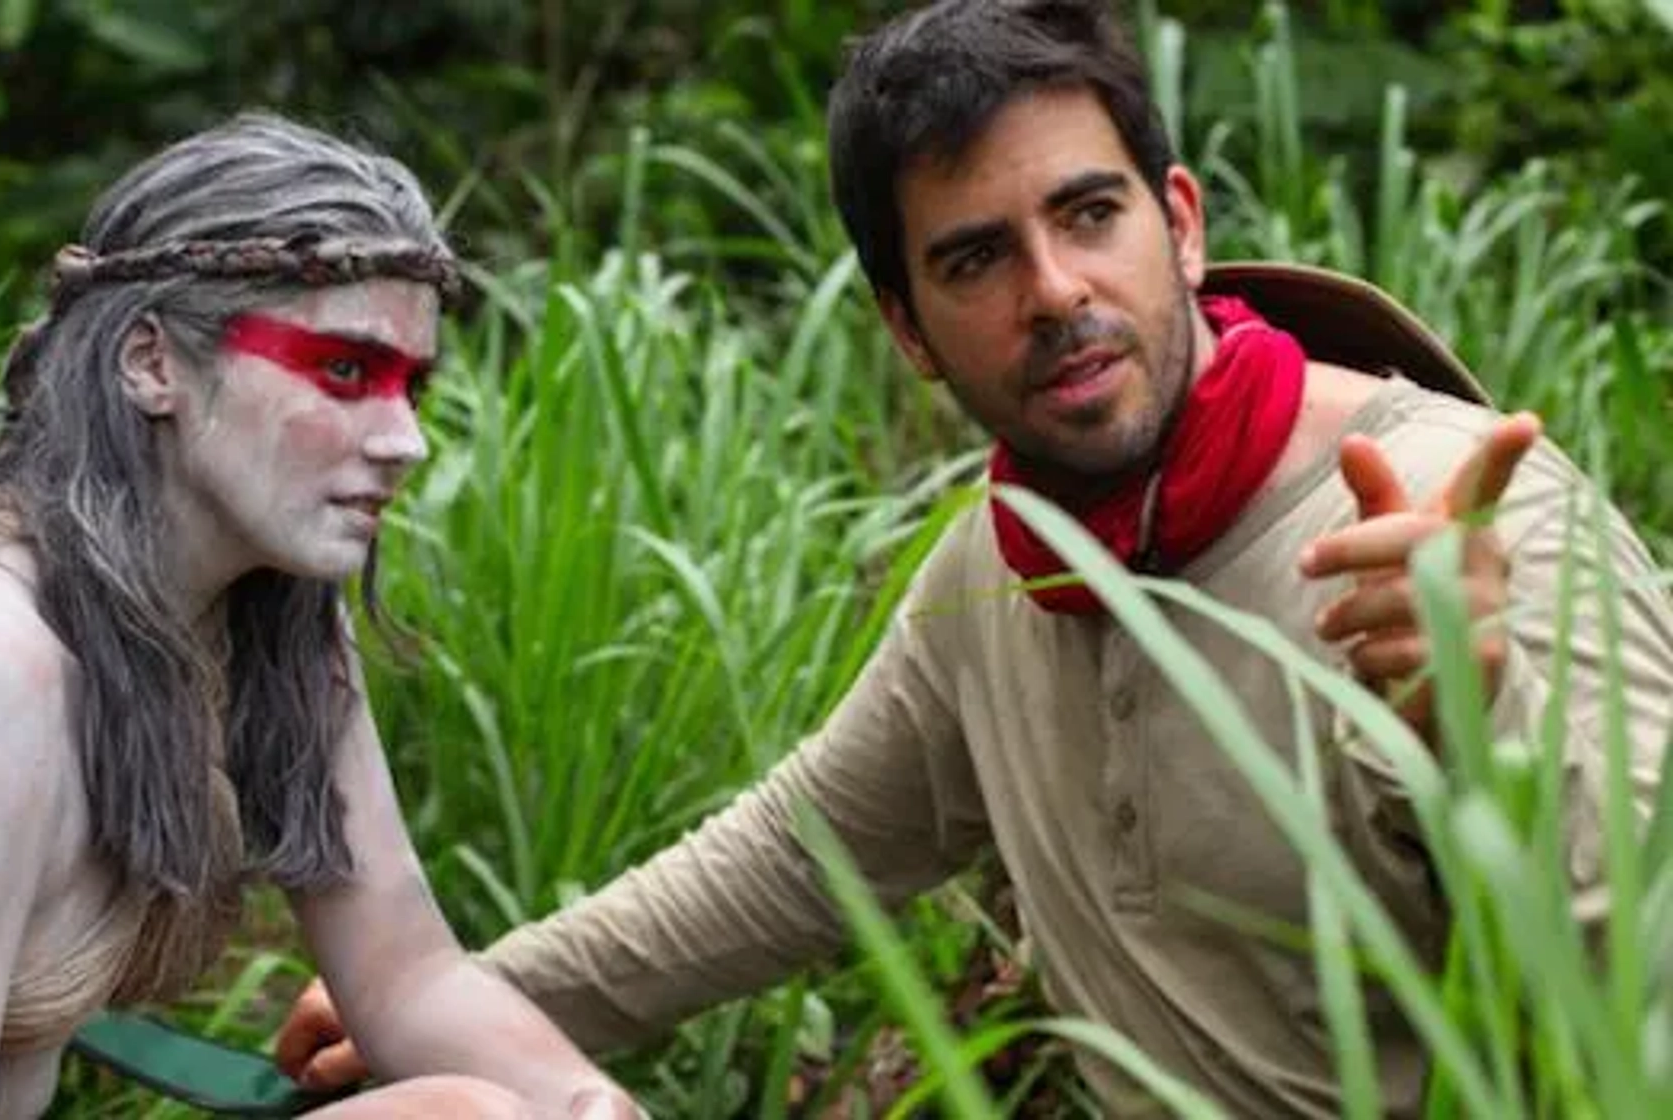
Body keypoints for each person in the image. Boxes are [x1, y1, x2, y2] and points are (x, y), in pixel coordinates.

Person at [275, 1, 1673, 1115]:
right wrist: (453, 1002)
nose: (1055, 294)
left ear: (1180, 224)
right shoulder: (998, 575)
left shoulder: (1464, 524)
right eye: (975, 260)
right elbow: (786, 863)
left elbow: (1646, 997)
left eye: (1088, 215)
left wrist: (1478, 721)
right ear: (906, 325)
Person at [0, 113, 643, 1119]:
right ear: (150, 361)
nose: (405, 440)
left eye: (413, 386)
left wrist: (589, 1104)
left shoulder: (267, 627)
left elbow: (408, 980)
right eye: (345, 371)